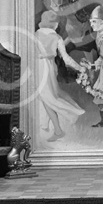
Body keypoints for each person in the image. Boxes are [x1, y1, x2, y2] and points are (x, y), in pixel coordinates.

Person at [35, 10, 85, 142]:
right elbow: (66, 59)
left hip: (38, 67)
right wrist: (80, 68)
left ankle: (61, 126)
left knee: (47, 97)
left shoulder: (35, 35)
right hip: (50, 67)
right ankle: (48, 126)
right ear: (55, 24)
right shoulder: (57, 38)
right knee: (47, 96)